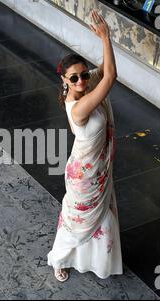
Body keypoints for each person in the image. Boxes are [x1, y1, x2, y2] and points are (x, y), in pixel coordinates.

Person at [47, 10, 123, 282]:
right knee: (76, 224)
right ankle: (59, 258)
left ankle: (95, 262)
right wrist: (106, 38)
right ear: (64, 81)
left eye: (83, 75)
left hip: (97, 169)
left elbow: (103, 70)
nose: (82, 80)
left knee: (102, 221)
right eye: (75, 78)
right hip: (85, 176)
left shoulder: (85, 86)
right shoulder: (78, 107)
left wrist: (104, 45)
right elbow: (111, 77)